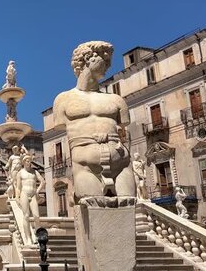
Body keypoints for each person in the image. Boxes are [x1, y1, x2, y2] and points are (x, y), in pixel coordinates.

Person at [53, 41, 135, 203]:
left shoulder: (116, 100)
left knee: (128, 204)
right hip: (85, 167)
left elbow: (125, 129)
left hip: (121, 165)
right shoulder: (63, 100)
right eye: (103, 57)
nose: (108, 63)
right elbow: (60, 124)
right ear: (86, 59)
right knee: (93, 206)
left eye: (109, 59)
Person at [15, 155, 45, 244]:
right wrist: (17, 197)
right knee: (26, 216)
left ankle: (37, 236)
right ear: (24, 162)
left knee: (36, 216)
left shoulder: (34, 172)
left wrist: (37, 191)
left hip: (33, 194)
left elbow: (43, 182)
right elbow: (18, 187)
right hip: (24, 193)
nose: (29, 162)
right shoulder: (20, 173)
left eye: (30, 161)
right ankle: (28, 238)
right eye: (27, 161)